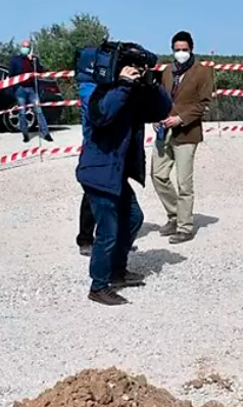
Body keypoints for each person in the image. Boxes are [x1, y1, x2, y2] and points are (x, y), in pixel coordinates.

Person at [76, 49, 172, 306]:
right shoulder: (92, 90)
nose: (132, 70)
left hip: (115, 172)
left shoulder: (125, 91)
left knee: (133, 218)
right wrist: (123, 84)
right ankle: (98, 286)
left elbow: (160, 111)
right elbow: (103, 115)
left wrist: (151, 85)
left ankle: (117, 271)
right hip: (98, 171)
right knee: (108, 231)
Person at [152, 31, 213, 244]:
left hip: (187, 132)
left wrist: (181, 119)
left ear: (191, 49)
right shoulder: (167, 71)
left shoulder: (203, 72)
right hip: (163, 131)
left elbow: (203, 104)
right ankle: (174, 215)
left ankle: (185, 227)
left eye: (184, 50)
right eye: (177, 50)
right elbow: (160, 98)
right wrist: (156, 117)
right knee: (158, 175)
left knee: (184, 182)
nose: (181, 53)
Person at [9, 40, 52, 143]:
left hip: (32, 89)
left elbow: (40, 71)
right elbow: (11, 75)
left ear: (30, 48)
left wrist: (32, 61)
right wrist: (15, 88)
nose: (25, 48)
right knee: (22, 112)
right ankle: (25, 134)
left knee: (38, 111)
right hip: (20, 89)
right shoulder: (15, 60)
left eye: (27, 47)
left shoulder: (34, 59)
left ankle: (46, 133)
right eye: (23, 46)